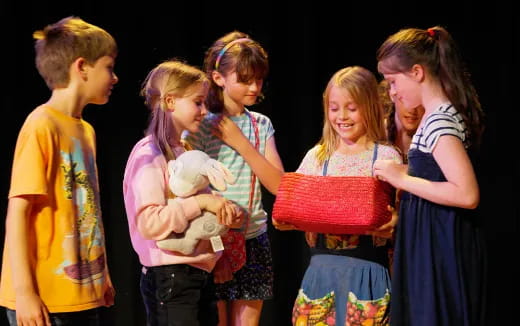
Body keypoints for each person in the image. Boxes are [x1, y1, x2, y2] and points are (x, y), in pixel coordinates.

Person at [0, 16, 118, 326]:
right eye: (108, 67)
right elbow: (19, 211)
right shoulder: (42, 125)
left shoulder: (87, 132)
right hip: (45, 298)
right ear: (82, 67)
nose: (115, 77)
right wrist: (24, 292)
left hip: (81, 294)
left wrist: (101, 275)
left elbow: (86, 208)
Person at [373, 26, 486, 326]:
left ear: (418, 72)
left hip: (440, 246)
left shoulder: (439, 121)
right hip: (429, 240)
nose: (392, 92)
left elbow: (466, 193)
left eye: (393, 82)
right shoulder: (434, 117)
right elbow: (435, 175)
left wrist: (402, 179)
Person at [122, 60, 243, 326]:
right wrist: (201, 201)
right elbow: (149, 222)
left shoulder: (187, 152)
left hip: (198, 274)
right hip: (171, 276)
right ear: (169, 101)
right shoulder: (149, 154)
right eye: (198, 102)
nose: (203, 110)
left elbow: (205, 215)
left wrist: (219, 250)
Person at [282, 66, 402, 326]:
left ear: (369, 106)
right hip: (321, 272)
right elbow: (288, 210)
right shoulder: (318, 157)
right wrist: (288, 218)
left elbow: (399, 214)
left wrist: (394, 225)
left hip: (366, 271)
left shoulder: (385, 156)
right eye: (334, 108)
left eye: (351, 108)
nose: (342, 116)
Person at [184, 31, 284, 326]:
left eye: (259, 79)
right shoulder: (200, 127)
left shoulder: (261, 125)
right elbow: (190, 189)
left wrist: (241, 142)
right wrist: (217, 245)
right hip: (214, 239)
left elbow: (278, 185)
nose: (254, 87)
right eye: (244, 80)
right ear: (218, 78)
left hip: (254, 238)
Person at [379, 79, 425, 162]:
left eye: (419, 101)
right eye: (406, 99)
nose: (412, 110)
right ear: (392, 95)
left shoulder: (435, 138)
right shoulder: (376, 134)